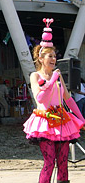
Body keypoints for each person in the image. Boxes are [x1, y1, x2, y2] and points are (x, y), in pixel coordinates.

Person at [23, 18, 85, 183]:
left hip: (62, 121)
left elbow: (68, 100)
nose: (53, 59)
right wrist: (52, 79)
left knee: (63, 163)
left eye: (54, 56)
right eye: (49, 56)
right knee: (49, 163)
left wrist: (80, 118)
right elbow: (40, 98)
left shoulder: (58, 77)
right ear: (41, 58)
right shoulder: (35, 76)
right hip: (45, 121)